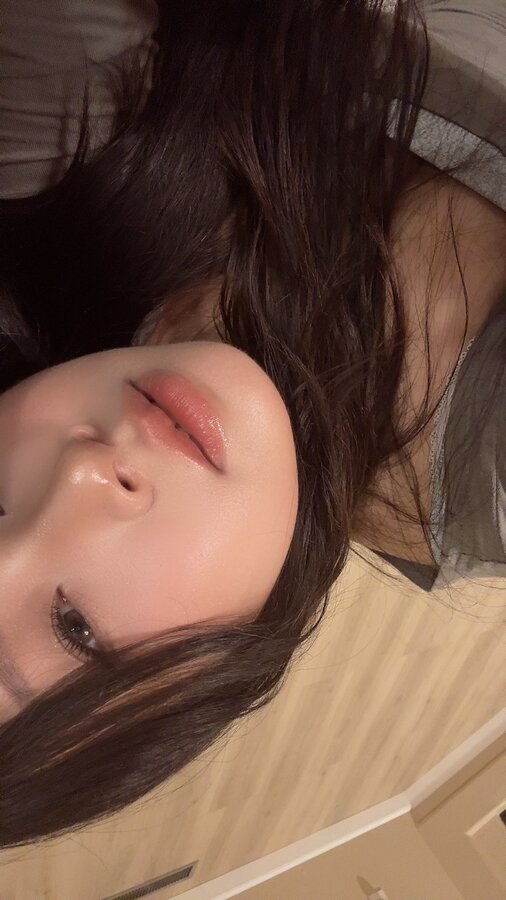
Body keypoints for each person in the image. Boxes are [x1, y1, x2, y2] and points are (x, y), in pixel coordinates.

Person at [0, 0, 504, 848]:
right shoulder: (477, 469)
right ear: (187, 704)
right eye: (74, 627)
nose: (82, 475)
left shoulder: (46, 182)